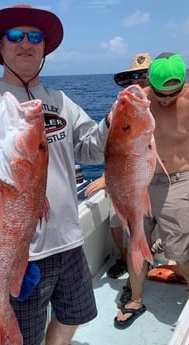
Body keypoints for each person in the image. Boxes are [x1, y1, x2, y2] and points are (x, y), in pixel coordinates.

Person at [0, 5, 110, 345]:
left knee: (75, 318)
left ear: (44, 48)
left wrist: (115, 122)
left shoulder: (59, 101)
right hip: (18, 254)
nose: (25, 43)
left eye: (35, 37)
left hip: (69, 242)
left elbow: (92, 149)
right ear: (1, 47)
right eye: (15, 36)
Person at [114, 52, 189, 329]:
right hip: (139, 181)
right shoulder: (136, 102)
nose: (166, 99)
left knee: (179, 251)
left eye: (174, 93)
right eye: (160, 93)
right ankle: (135, 298)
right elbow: (116, 146)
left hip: (180, 181)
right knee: (135, 242)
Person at [85, 52, 152, 306]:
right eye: (134, 78)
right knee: (115, 220)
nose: (139, 83)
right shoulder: (123, 109)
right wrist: (106, 178)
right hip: (130, 178)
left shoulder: (164, 102)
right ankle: (128, 258)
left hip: (158, 180)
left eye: (145, 77)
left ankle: (144, 259)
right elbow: (116, 150)